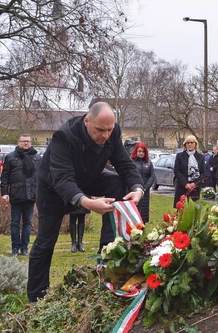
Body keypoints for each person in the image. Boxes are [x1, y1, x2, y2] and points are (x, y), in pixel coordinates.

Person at [27, 102, 144, 303]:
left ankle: (107, 252)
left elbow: (124, 163)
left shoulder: (113, 132)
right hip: (53, 188)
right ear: (87, 121)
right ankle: (36, 296)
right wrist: (88, 203)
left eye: (109, 130)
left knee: (116, 182)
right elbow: (63, 179)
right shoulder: (64, 136)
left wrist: (137, 188)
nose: (105, 135)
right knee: (45, 242)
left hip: (88, 178)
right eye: (100, 130)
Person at [0, 134, 41, 257]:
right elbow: (5, 176)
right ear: (18, 142)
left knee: (28, 222)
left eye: (28, 141)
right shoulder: (10, 157)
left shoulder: (37, 157)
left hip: (31, 194)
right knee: (15, 222)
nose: (26, 143)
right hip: (16, 194)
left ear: (31, 142)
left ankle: (24, 247)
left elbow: (41, 176)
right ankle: (15, 247)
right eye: (23, 141)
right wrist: (4, 193)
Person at [173, 135, 206, 206]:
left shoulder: (200, 157)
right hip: (182, 187)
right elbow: (177, 171)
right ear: (185, 144)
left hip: (195, 189)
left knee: (193, 209)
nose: (190, 144)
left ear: (195, 144)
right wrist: (185, 183)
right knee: (181, 209)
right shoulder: (180, 156)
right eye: (188, 143)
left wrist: (195, 183)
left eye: (192, 142)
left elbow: (203, 173)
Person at [130, 142, 155, 223]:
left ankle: (142, 226)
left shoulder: (149, 162)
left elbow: (152, 176)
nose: (141, 153)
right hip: (134, 190)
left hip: (145, 191)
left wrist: (146, 187)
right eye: (139, 151)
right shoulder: (131, 162)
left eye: (143, 151)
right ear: (136, 151)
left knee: (143, 212)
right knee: (134, 211)